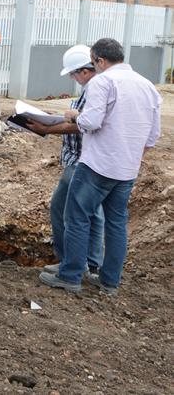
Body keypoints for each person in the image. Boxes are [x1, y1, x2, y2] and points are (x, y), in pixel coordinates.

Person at [40, 38, 161, 295]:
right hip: (128, 169)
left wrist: (75, 116)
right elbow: (153, 136)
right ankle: (109, 282)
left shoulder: (103, 82)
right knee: (116, 224)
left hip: (97, 165)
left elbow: (92, 122)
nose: (94, 67)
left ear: (101, 61)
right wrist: (131, 156)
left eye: (94, 62)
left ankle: (70, 276)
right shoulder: (147, 86)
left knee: (76, 217)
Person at [26, 45, 104, 280]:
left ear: (84, 71)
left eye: (73, 73)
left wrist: (46, 128)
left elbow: (80, 125)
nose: (72, 78)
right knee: (88, 211)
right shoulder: (94, 88)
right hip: (84, 160)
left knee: (67, 209)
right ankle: (87, 264)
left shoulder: (94, 89)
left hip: (82, 161)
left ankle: (73, 264)